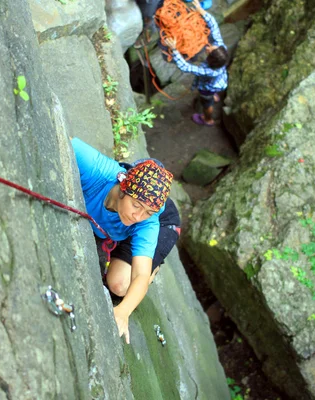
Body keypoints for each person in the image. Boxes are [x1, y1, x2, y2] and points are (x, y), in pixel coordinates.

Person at [71, 137, 180, 344]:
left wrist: (123, 311)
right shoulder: (98, 171)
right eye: (136, 205)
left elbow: (140, 274)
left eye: (146, 212)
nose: (138, 216)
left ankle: (154, 264)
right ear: (123, 189)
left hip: (166, 223)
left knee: (120, 286)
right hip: (137, 194)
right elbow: (63, 139)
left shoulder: (148, 222)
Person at [163, 0, 228, 126]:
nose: (208, 47)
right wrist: (202, 11)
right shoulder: (221, 48)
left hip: (208, 87)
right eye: (212, 47)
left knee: (206, 103)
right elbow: (214, 26)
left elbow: (186, 67)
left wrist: (175, 49)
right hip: (220, 81)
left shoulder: (208, 71)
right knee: (211, 93)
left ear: (210, 61)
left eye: (209, 51)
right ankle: (214, 96)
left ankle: (207, 119)